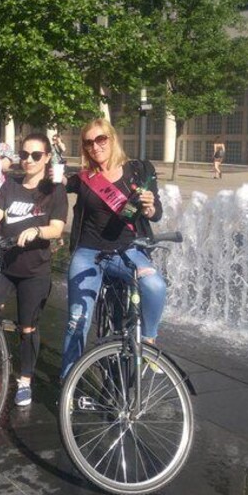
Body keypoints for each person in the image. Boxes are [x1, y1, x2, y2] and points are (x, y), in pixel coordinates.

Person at [60, 118, 165, 380]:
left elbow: (156, 213)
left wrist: (150, 207)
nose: (95, 147)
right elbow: (55, 184)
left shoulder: (137, 171)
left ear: (112, 138)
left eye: (101, 139)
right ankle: (68, 383)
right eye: (89, 143)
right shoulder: (84, 179)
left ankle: (149, 341)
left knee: (155, 285)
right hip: (88, 255)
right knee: (77, 321)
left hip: (127, 251)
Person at [0, 133, 68, 406]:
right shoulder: (11, 184)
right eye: (25, 154)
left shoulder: (54, 190)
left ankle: (25, 381)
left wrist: (36, 231)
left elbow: (57, 229)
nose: (28, 160)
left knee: (27, 326)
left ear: (47, 158)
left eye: (36, 155)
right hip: (7, 266)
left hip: (35, 270)